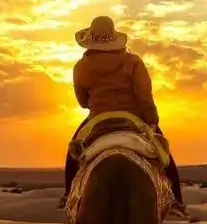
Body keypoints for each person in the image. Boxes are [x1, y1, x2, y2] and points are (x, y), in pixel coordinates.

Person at [60, 16, 183, 210]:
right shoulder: (133, 62)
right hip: (133, 116)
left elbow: (83, 102)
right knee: (165, 155)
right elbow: (144, 97)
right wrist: (152, 121)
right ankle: (176, 200)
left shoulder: (81, 66)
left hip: (98, 117)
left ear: (91, 39)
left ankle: (68, 195)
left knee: (72, 154)